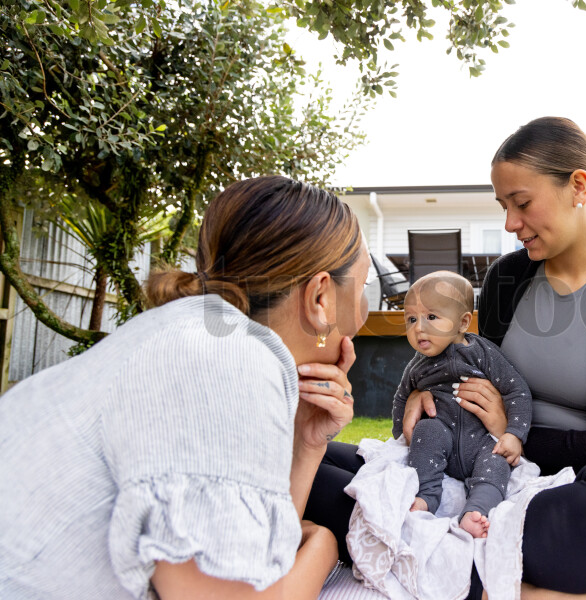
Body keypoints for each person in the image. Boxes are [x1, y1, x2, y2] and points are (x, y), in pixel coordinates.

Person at [305, 117, 586, 600]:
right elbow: (466, 364)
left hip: (561, 488)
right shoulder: (508, 280)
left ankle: (431, 556)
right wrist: (424, 396)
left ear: (578, 186)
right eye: (503, 206)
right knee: (306, 460)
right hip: (463, 463)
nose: (510, 224)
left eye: (523, 203)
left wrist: (515, 437)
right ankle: (495, 579)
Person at [0, 175, 371, 600]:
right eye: (360, 293)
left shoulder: (209, 336)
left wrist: (307, 443)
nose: (359, 318)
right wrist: (324, 544)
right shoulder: (226, 357)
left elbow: (259, 561)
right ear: (321, 298)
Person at [394, 271, 532, 538]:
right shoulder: (418, 366)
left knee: (497, 462)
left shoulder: (482, 353)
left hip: (480, 442)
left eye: (431, 317)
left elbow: (517, 391)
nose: (419, 327)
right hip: (440, 437)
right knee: (427, 432)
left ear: (463, 322)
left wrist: (514, 434)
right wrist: (403, 434)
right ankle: (425, 497)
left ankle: (476, 511)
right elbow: (402, 398)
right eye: (411, 319)